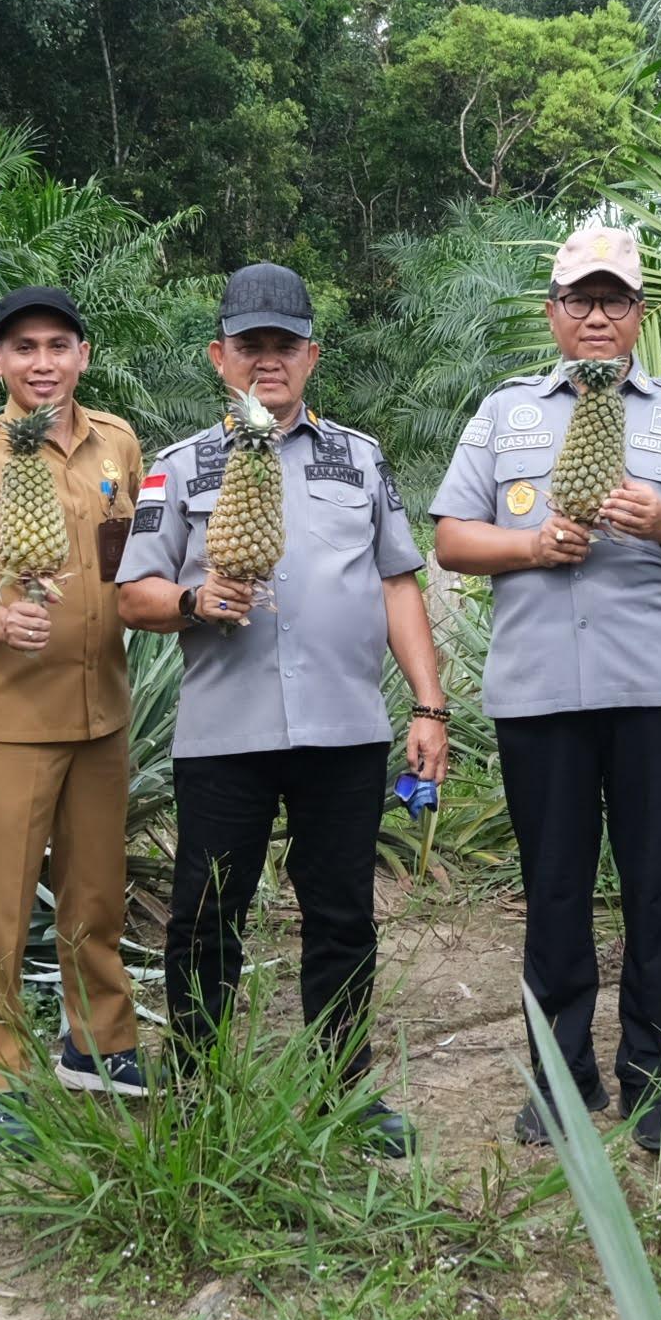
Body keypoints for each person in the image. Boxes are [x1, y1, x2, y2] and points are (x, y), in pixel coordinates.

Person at [432, 224, 661, 1156]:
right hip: (539, 692)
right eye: (581, 299)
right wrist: (530, 545)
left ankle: (655, 1077)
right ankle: (562, 1076)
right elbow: (453, 536)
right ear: (555, 313)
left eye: (616, 300)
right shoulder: (504, 414)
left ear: (640, 314)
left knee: (658, 887)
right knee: (555, 890)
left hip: (654, 687)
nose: (598, 317)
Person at [116, 263, 451, 1155]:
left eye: (286, 345)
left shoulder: (360, 456)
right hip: (225, 732)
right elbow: (134, 594)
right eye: (251, 345)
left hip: (344, 729)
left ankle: (344, 1088)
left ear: (312, 356)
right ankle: (194, 1083)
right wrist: (191, 602)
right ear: (219, 356)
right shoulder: (180, 466)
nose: (269, 361)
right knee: (205, 911)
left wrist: (430, 705)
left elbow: (398, 582)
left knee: (342, 909)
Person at [0, 286, 151, 1146]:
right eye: (24, 349)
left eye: (59, 345)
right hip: (11, 715)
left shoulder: (118, 441)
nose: (42, 362)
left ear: (82, 355)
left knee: (95, 890)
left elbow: (129, 550)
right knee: (0, 904)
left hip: (102, 708)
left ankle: (98, 1042)